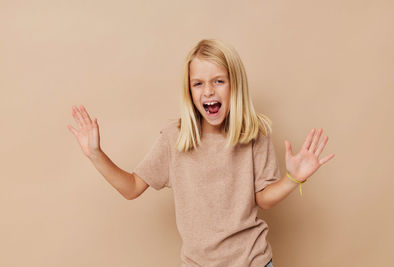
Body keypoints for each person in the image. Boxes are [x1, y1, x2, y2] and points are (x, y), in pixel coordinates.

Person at [67, 39, 335, 267]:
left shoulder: (255, 134)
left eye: (219, 81)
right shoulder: (175, 138)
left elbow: (263, 199)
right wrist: (95, 154)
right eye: (198, 84)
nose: (208, 91)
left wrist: (292, 178)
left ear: (235, 85)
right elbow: (132, 187)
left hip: (252, 261)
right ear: (189, 90)